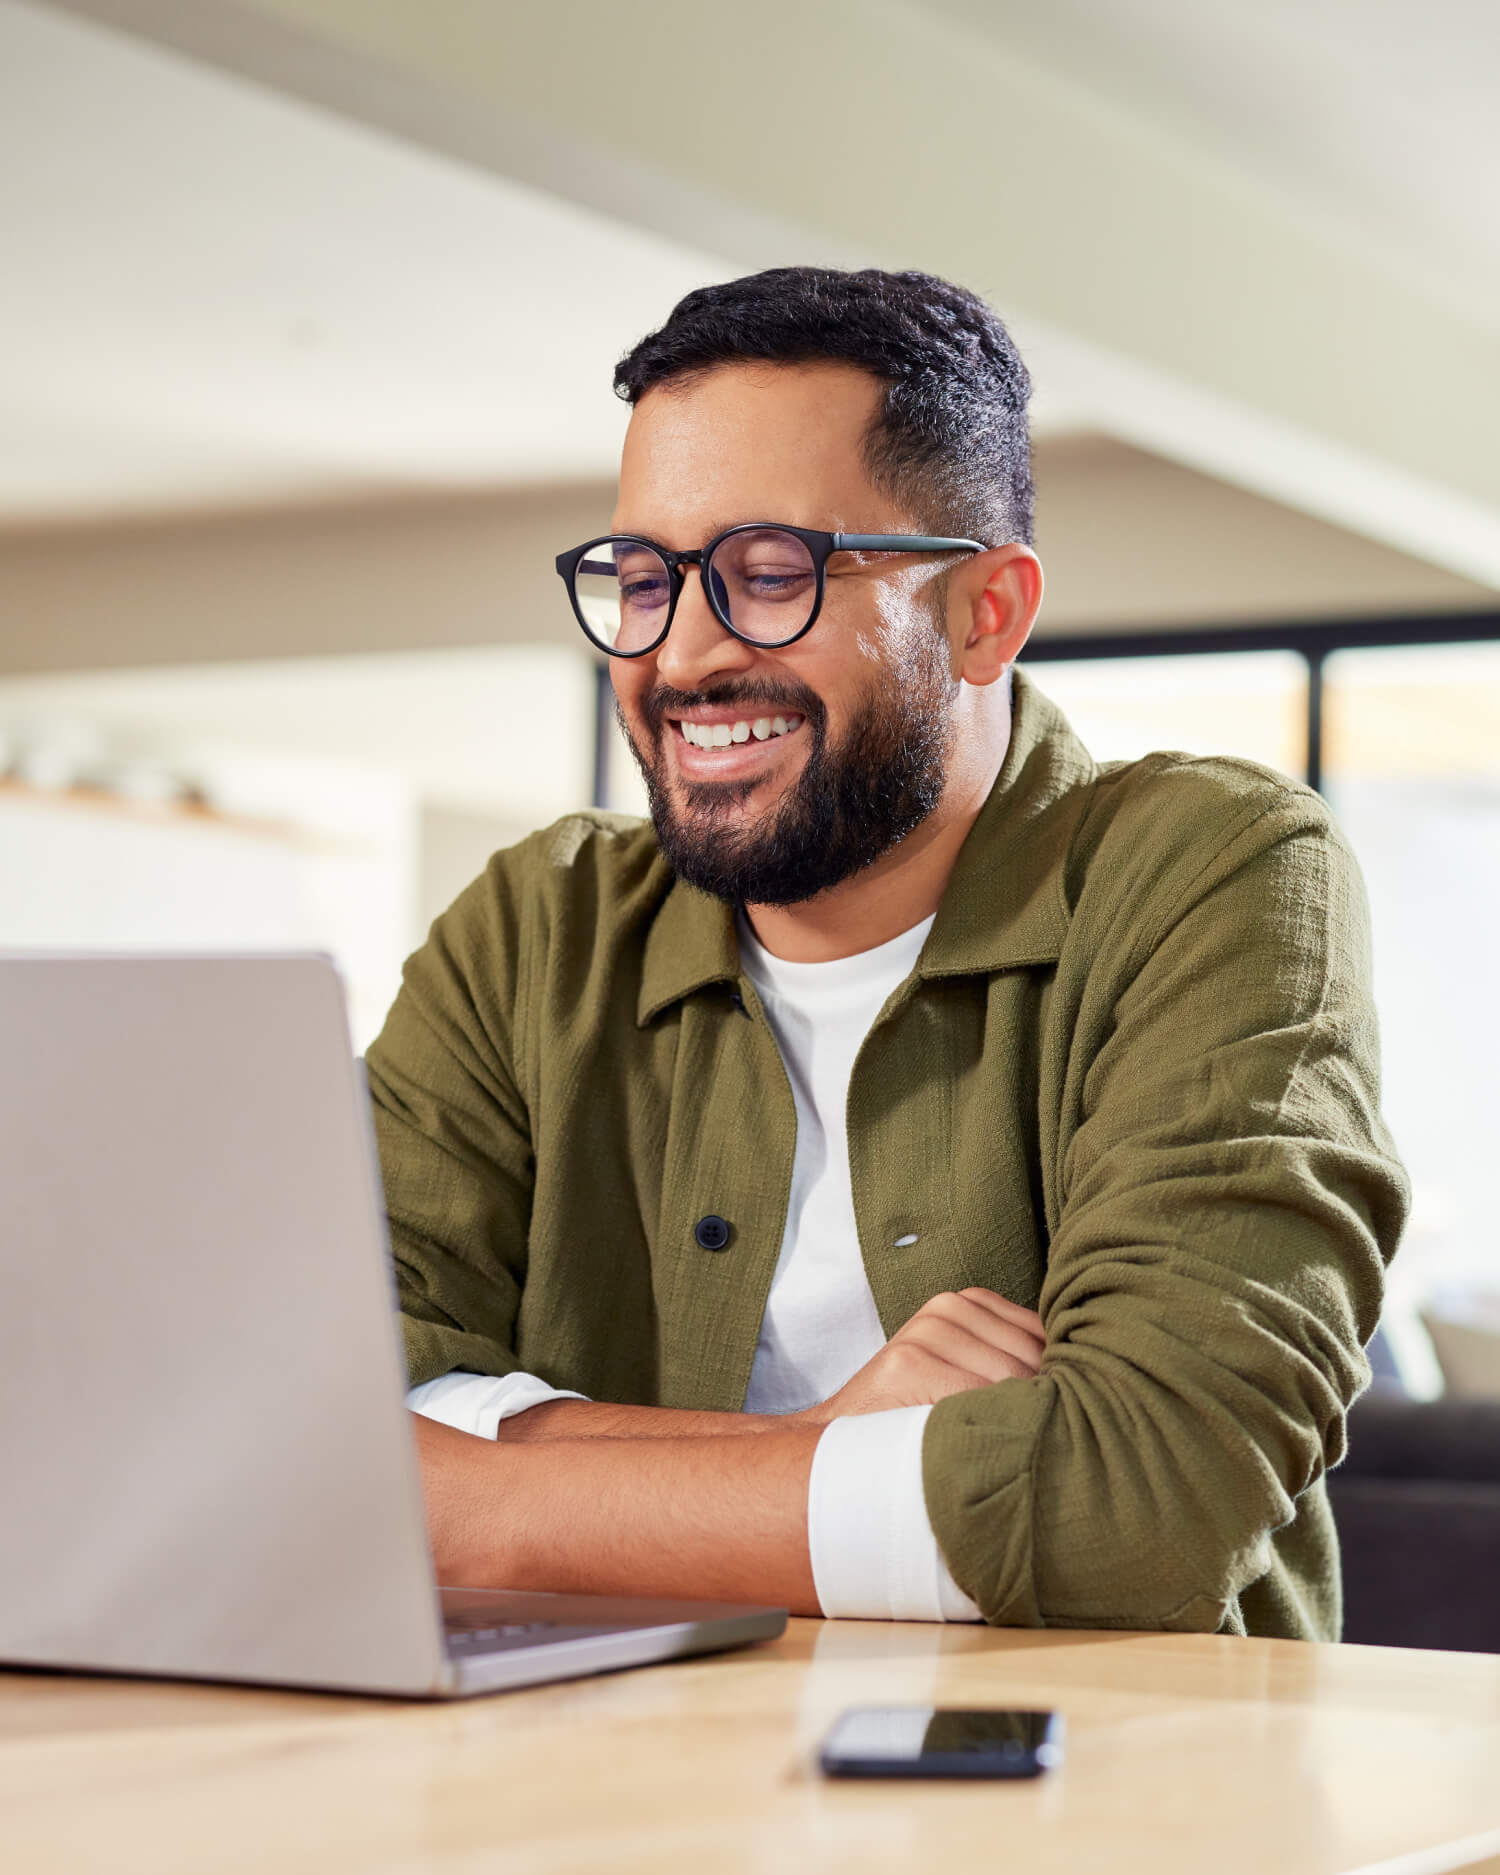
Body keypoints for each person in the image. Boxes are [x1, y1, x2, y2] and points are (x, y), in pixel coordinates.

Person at [372, 267, 1408, 1637]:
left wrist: (474, 1505)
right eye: (642, 577)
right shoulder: (533, 927)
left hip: (1101, 1810)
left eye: (770, 574)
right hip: (598, 1795)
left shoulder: (1213, 874)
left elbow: (1145, 1500)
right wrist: (846, 1452)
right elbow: (312, 1406)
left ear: (984, 612)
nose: (680, 655)